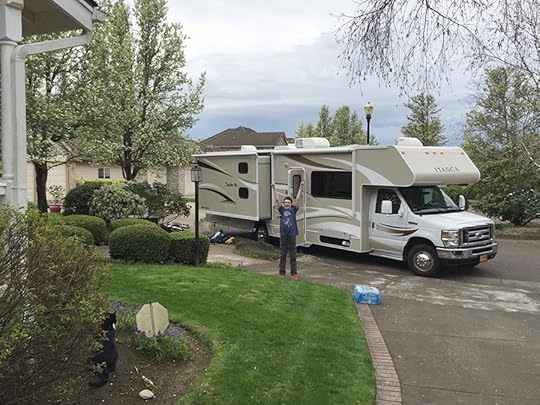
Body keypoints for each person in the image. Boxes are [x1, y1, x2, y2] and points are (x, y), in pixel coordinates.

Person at [272, 181, 304, 280]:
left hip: (292, 234)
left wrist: (301, 187)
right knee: (283, 254)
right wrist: (274, 188)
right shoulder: (281, 210)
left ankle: (294, 273)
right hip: (283, 235)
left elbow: (297, 198)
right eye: (285, 202)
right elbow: (277, 200)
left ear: (291, 204)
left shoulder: (294, 210)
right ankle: (281, 272)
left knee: (293, 255)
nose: (287, 204)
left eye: (288, 203)